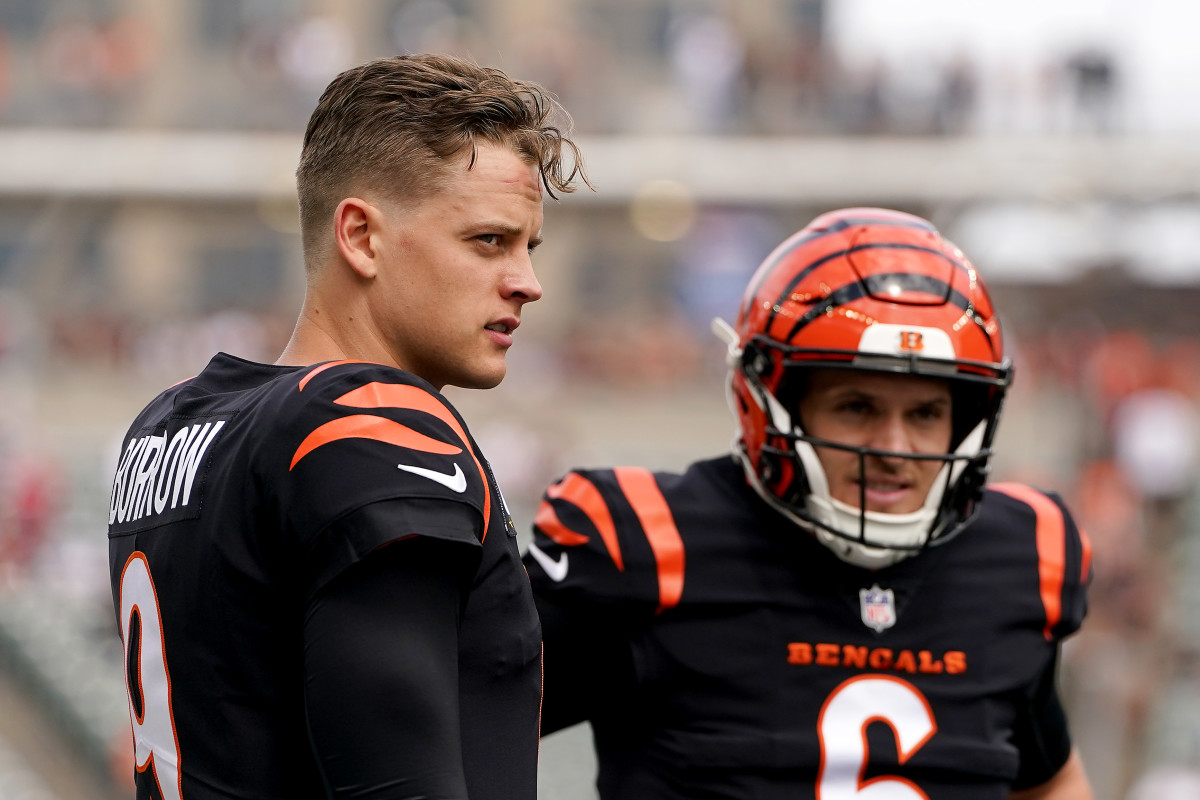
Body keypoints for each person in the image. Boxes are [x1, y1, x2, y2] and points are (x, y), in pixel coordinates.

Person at [107, 54, 585, 800]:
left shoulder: (167, 426)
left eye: (529, 246)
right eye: (489, 241)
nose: (527, 281)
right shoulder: (374, 423)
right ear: (360, 237)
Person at [525, 207, 1094, 799]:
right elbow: (454, 731)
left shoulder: (1018, 558)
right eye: (857, 407)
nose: (896, 449)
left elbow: (1050, 779)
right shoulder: (651, 546)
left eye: (925, 414)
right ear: (768, 401)